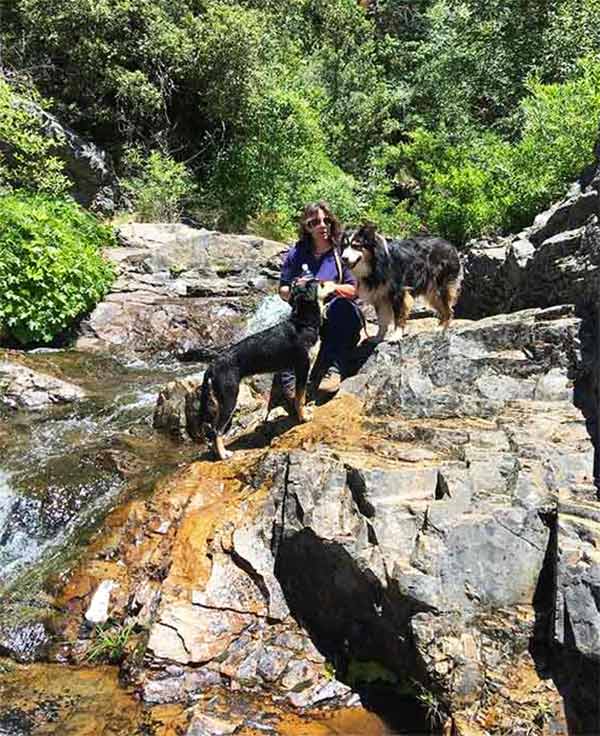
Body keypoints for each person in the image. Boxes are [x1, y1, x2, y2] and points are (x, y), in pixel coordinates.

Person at [278, 200, 363, 395]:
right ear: (306, 227)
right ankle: (291, 387)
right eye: (315, 222)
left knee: (342, 307)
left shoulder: (343, 251)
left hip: (338, 314)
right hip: (307, 314)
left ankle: (334, 369)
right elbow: (282, 289)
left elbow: (355, 290)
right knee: (287, 325)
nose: (322, 226)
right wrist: (298, 291)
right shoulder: (297, 253)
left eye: (327, 221)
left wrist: (329, 287)